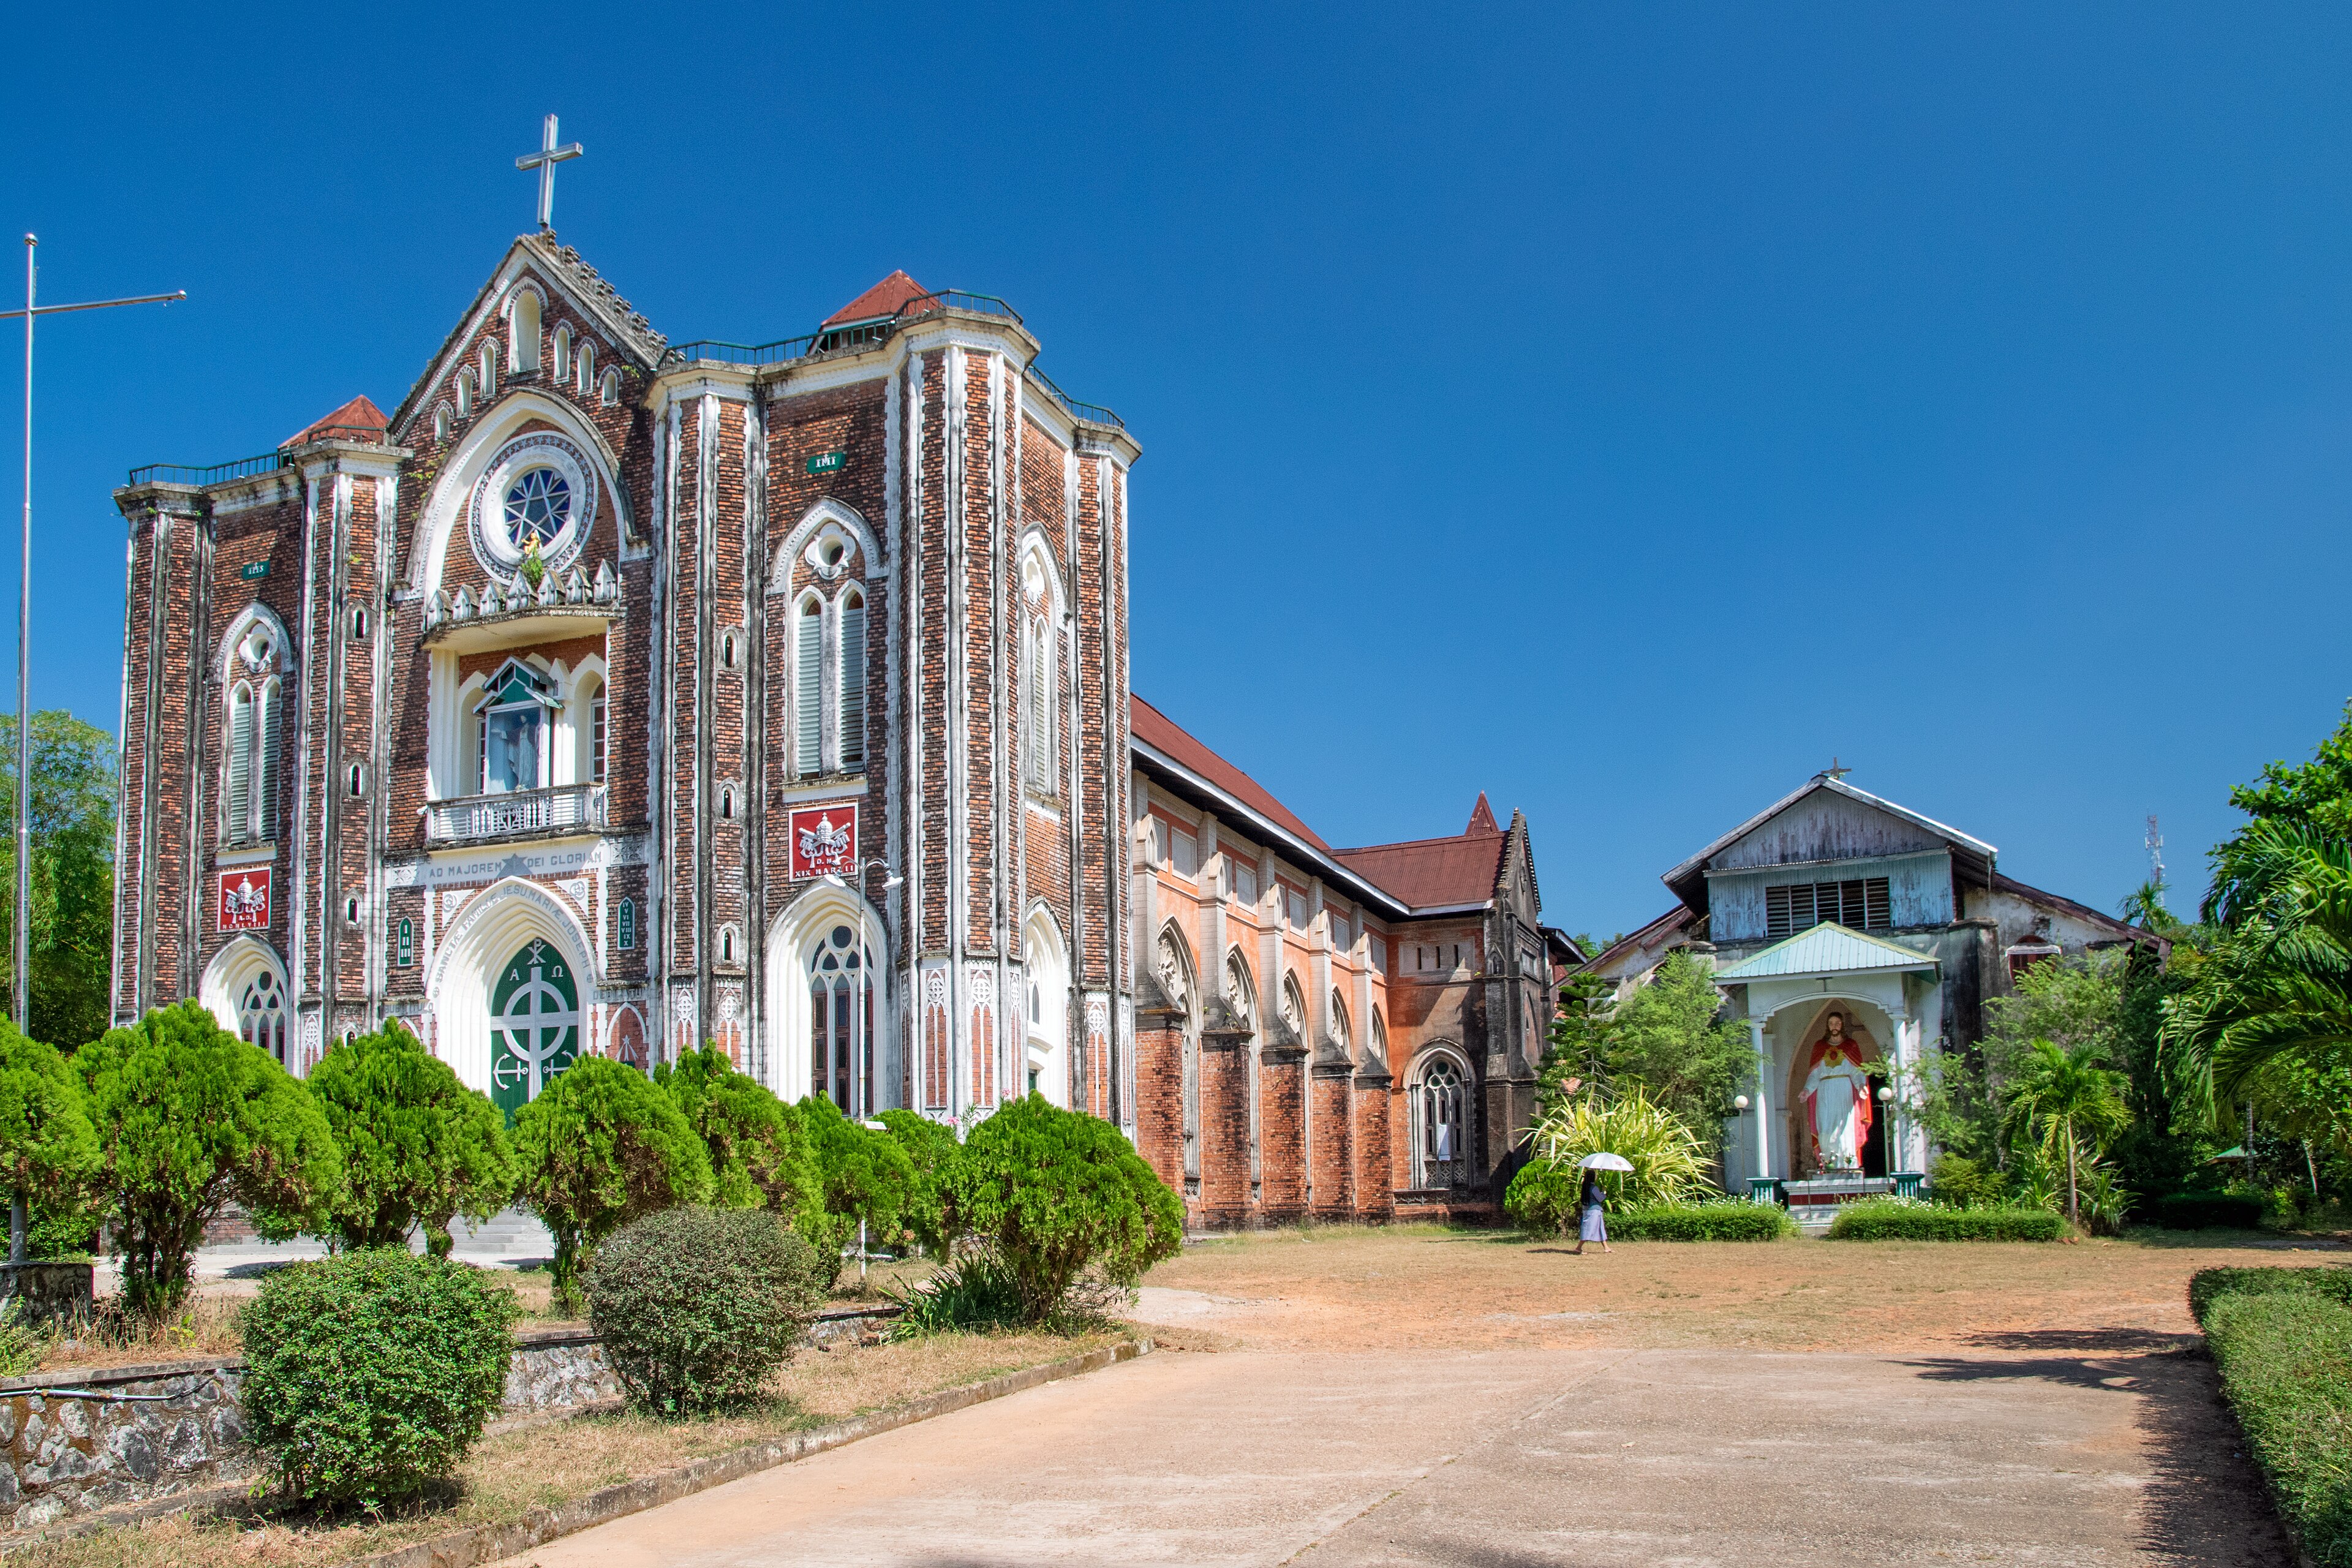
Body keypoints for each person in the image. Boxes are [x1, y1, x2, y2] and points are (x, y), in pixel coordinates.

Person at [1572, 1167, 1610, 1254]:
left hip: (1589, 1210)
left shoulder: (1585, 1187)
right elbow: (1600, 1199)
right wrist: (1604, 1193)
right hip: (1594, 1211)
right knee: (1588, 1229)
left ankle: (1606, 1247)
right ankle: (1578, 1248)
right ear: (1593, 1177)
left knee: (1600, 1229)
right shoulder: (1594, 1188)